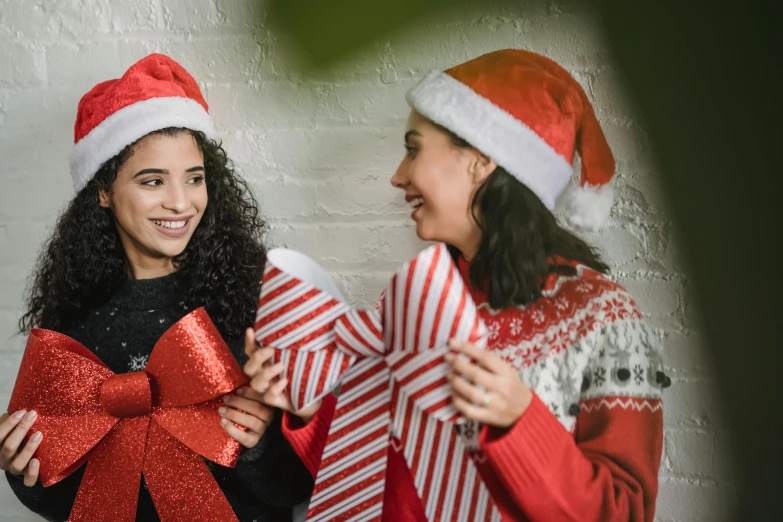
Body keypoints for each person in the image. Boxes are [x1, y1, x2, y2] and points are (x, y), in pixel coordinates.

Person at [243, 49, 668, 521]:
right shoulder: (406, 306)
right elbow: (365, 482)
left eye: (413, 147)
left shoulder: (603, 317)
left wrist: (519, 422)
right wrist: (305, 407)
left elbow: (624, 513)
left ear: (481, 160)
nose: (398, 176)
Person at [0, 53, 313, 522]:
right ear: (103, 191)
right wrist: (24, 470)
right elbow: (70, 500)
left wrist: (260, 444)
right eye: (153, 181)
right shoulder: (72, 325)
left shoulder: (257, 303)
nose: (181, 202)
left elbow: (299, 485)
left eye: (195, 178)